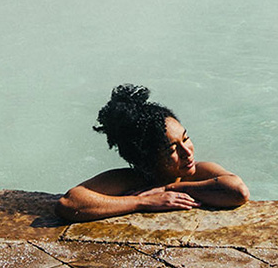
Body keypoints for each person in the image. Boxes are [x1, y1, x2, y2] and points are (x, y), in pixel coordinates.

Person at [55, 84, 250, 222]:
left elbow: (238, 191)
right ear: (147, 157)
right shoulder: (131, 180)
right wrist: (142, 202)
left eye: (186, 138)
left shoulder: (198, 172)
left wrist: (170, 189)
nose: (186, 152)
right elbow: (70, 202)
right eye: (172, 149)